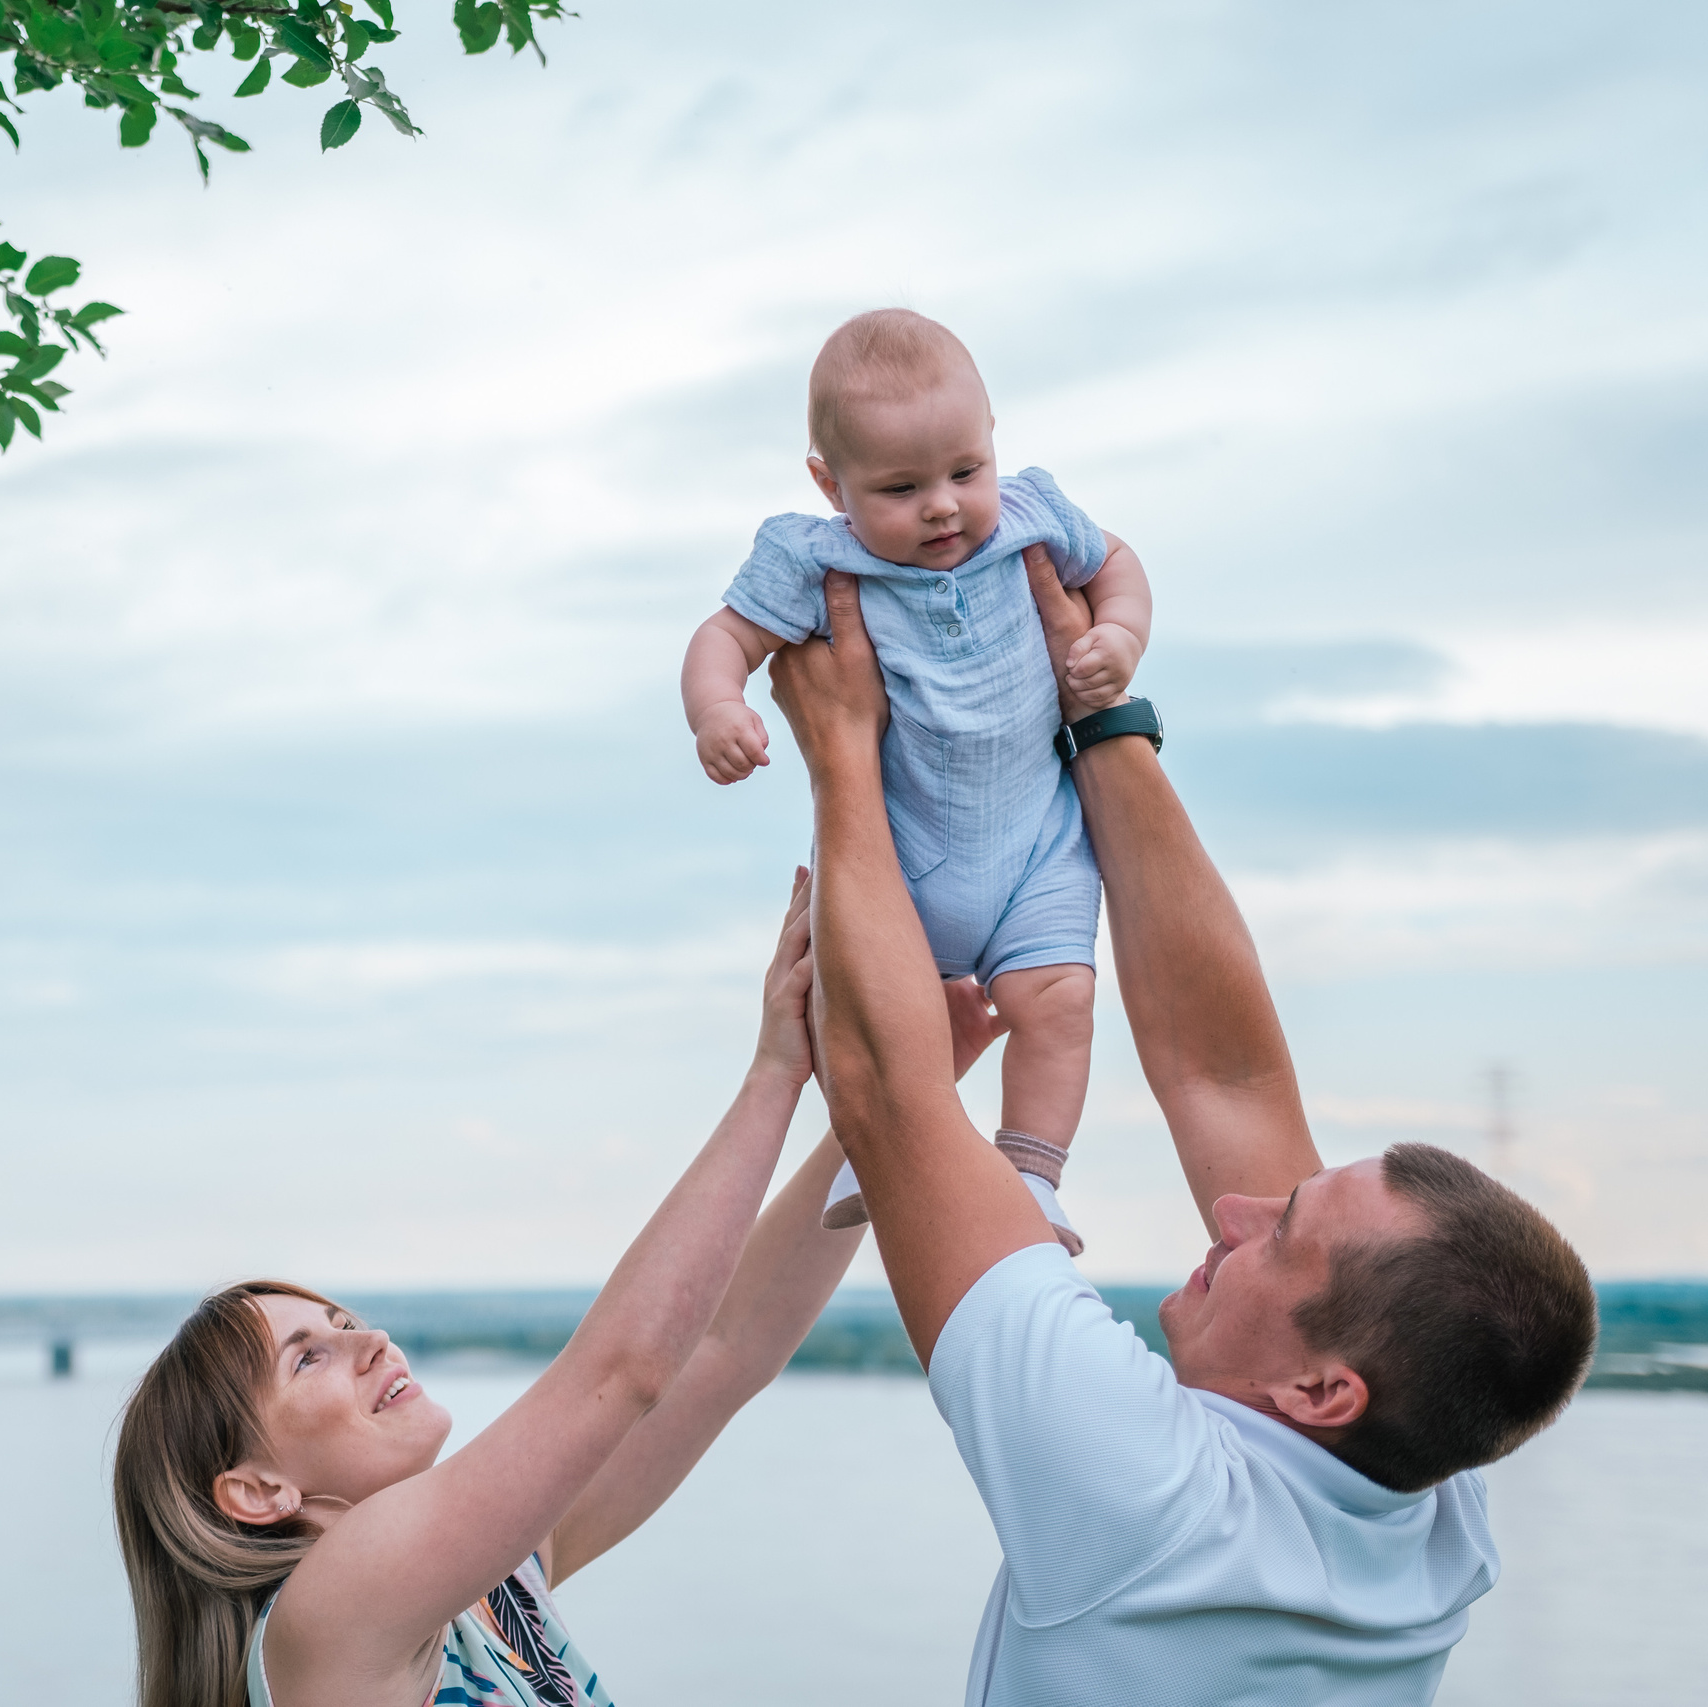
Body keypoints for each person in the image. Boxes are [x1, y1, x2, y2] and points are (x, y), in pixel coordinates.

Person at [766, 549, 1598, 1706]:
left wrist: (843, 757)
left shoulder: (1149, 1498)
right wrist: (1099, 715)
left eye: (1280, 1233)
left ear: (1321, 1393)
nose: (1236, 1207)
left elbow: (885, 1094)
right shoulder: (1430, 1492)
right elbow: (1230, 1075)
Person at [113, 871, 891, 1707]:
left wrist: (887, 1107)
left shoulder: (498, 1591)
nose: (371, 1340)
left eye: (343, 1321)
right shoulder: (325, 1621)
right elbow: (622, 1370)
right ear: (259, 1491)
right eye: (310, 1359)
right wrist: (776, 1070)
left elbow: (723, 1346)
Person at [681, 308, 1155, 1247]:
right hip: (902, 848)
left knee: (1059, 1001)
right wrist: (718, 708)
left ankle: (1033, 1174)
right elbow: (724, 636)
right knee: (886, 1011)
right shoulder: (812, 557)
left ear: (992, 444)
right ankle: (882, 1137)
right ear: (830, 481)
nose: (943, 505)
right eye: (900, 487)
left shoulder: (1031, 517)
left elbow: (1118, 565)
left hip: (1037, 843)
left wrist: (1120, 637)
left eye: (964, 471)